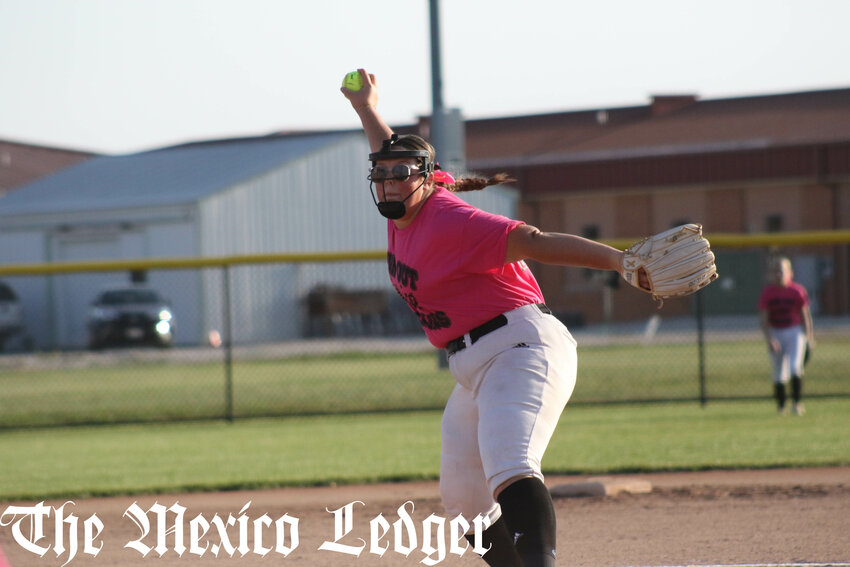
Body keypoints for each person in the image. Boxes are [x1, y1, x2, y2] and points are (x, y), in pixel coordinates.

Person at [342, 69, 649, 567]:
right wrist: (365, 107)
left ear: (427, 176)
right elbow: (391, 151)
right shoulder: (406, 204)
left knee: (510, 466)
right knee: (465, 502)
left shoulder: (450, 219)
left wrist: (620, 262)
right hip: (472, 366)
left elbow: (537, 242)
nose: (389, 183)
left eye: (401, 175)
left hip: (520, 347)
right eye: (381, 175)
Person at [757, 256, 815, 416]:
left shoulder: (797, 290)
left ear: (790, 273)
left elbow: (805, 316)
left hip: (794, 330)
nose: (778, 274)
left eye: (781, 271)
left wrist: (809, 338)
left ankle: (797, 404)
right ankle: (781, 406)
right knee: (778, 371)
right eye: (775, 271)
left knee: (795, 367)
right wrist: (769, 339)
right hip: (776, 331)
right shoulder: (768, 292)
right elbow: (764, 319)